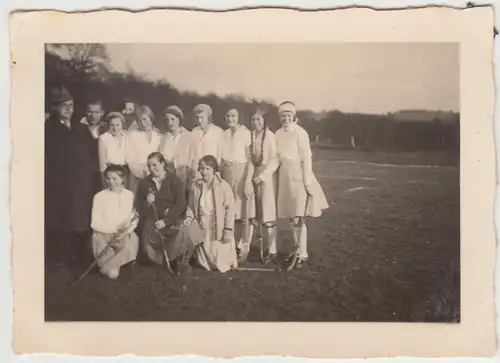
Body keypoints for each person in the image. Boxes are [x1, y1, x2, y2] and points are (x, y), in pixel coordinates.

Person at [275, 101, 329, 269]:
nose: (285, 118)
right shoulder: (277, 133)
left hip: (298, 176)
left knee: (299, 217)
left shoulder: (301, 133)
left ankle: (303, 254)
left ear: (294, 116)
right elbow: (276, 157)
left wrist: (306, 181)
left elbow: (307, 157)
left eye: (288, 115)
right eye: (283, 115)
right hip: (284, 176)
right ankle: (297, 249)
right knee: (292, 216)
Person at [136, 152, 204, 276]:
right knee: (149, 236)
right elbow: (139, 207)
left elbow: (181, 205)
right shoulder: (144, 183)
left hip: (172, 219)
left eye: (155, 165)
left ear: (162, 164)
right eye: (149, 166)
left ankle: (182, 261)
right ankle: (165, 259)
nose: (152, 169)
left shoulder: (174, 180)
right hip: (154, 221)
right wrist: (147, 202)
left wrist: (166, 220)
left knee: (188, 229)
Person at [186, 155, 238, 273]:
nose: (204, 172)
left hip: (218, 226)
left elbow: (230, 210)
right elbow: (190, 206)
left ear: (214, 169)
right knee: (204, 261)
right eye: (202, 168)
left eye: (207, 169)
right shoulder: (196, 186)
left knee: (219, 261)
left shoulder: (223, 186)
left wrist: (228, 230)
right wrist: (189, 217)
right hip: (202, 224)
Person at [90, 165, 139, 279]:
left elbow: (135, 217)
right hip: (104, 237)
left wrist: (127, 230)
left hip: (123, 236)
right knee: (113, 275)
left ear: (123, 179)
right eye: (108, 178)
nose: (110, 182)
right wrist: (112, 231)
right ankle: (109, 264)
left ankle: (121, 262)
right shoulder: (99, 197)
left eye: (114, 178)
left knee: (133, 239)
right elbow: (94, 223)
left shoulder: (129, 195)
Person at [219, 108, 255, 262]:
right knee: (229, 210)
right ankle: (230, 245)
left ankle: (244, 246)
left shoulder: (245, 133)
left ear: (238, 117)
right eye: (227, 116)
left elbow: (250, 159)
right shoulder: (224, 134)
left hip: (241, 172)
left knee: (243, 212)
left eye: (233, 115)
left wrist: (247, 181)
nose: (230, 118)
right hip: (226, 171)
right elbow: (221, 158)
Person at [45, 85, 75, 265]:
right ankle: (55, 257)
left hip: (71, 181)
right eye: (64, 106)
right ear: (54, 108)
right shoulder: (49, 128)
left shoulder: (75, 125)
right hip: (55, 181)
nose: (69, 109)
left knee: (68, 217)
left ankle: (65, 254)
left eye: (71, 105)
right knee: (55, 218)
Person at [249, 107, 280, 263]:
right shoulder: (252, 135)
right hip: (253, 175)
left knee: (268, 212)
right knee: (255, 212)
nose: (256, 123)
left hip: (266, 177)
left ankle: (272, 249)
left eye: (259, 120)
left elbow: (275, 160)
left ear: (264, 121)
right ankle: (247, 246)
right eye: (253, 120)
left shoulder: (270, 136)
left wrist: (262, 177)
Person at [125, 105, 162, 193]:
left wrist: (153, 170)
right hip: (137, 176)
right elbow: (130, 158)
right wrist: (141, 171)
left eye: (145, 119)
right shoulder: (133, 135)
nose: (142, 123)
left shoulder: (158, 136)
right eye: (139, 120)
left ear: (151, 118)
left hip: (155, 173)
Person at [158, 105, 193, 192]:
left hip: (183, 175)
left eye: (173, 119)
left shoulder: (189, 136)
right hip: (166, 173)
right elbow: (159, 155)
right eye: (167, 120)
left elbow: (192, 158)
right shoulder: (165, 137)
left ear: (179, 120)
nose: (170, 123)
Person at [189, 104, 223, 180]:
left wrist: (216, 170)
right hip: (198, 170)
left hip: (211, 170)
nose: (199, 120)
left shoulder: (218, 132)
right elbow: (192, 153)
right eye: (197, 118)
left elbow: (219, 155)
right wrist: (192, 168)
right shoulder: (194, 131)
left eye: (202, 118)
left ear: (208, 117)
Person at [98, 112, 129, 187]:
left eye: (118, 125)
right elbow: (102, 164)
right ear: (108, 125)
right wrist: (104, 181)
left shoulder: (126, 137)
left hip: (124, 173)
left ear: (122, 125)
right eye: (112, 125)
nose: (115, 128)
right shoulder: (103, 138)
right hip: (110, 173)